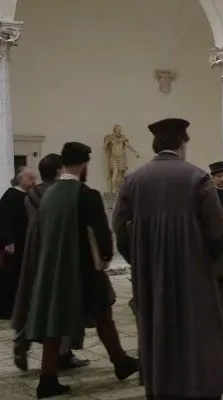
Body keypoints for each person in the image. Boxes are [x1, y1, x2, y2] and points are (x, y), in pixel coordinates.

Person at [113, 118, 223, 400]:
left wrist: (141, 260)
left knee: (157, 327)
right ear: (182, 142)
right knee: (198, 328)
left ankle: (162, 386)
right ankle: (200, 388)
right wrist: (208, 260)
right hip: (193, 272)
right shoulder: (197, 178)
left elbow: (120, 229)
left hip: (150, 275)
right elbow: (216, 229)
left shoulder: (132, 181)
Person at [24, 142, 138, 398]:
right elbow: (101, 232)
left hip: (54, 268)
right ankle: (120, 362)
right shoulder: (87, 194)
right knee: (103, 313)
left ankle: (49, 377)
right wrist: (106, 256)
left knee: (56, 321)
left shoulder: (48, 194)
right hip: (83, 269)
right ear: (84, 164)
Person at [12, 153, 90, 372]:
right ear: (58, 171)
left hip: (34, 251)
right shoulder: (60, 193)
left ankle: (23, 339)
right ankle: (63, 355)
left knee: (34, 300)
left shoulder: (32, 194)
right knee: (60, 303)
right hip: (57, 252)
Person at [0, 167, 37, 319]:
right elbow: (4, 220)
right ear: (21, 179)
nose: (34, 182)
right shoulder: (11, 195)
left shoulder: (27, 196)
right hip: (14, 245)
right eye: (30, 178)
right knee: (11, 277)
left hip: (25, 243)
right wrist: (8, 241)